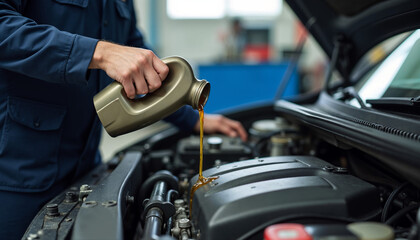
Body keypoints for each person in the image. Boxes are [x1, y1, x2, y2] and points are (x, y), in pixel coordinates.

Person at [0, 1, 247, 239]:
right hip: (18, 173)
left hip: (85, 168)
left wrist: (192, 120)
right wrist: (99, 51)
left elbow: (142, 66)